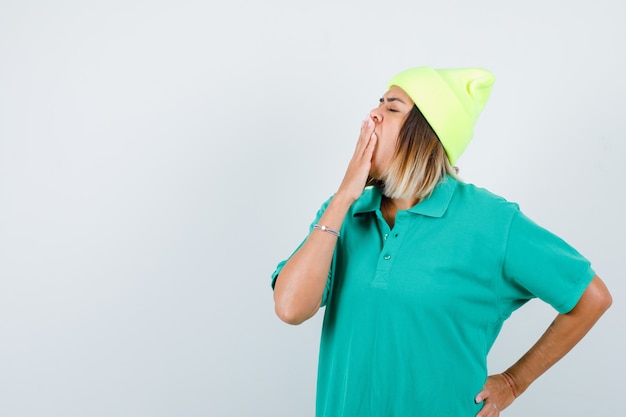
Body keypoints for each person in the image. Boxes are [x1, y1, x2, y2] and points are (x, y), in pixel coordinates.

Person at [271, 66, 612, 417]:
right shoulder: (342, 214)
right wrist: (343, 197)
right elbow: (290, 308)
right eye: (378, 103)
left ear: (427, 134)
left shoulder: (490, 221)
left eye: (392, 107)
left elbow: (591, 297)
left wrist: (513, 382)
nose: (373, 114)